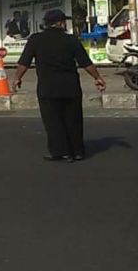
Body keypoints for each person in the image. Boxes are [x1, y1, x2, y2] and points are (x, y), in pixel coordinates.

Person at [12, 9, 106, 162]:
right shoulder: (71, 40)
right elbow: (85, 62)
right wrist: (97, 77)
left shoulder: (36, 40)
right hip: (71, 87)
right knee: (73, 120)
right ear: (61, 23)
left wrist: (17, 78)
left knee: (53, 121)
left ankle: (60, 151)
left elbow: (24, 62)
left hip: (48, 88)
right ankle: (77, 151)